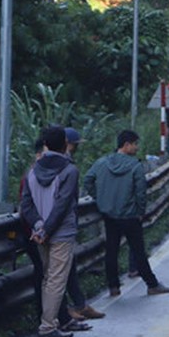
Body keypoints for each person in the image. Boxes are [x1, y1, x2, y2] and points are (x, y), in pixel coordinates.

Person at [84, 130, 169, 297]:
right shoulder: (135, 166)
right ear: (126, 145)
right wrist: (140, 211)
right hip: (130, 215)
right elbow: (140, 192)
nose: (136, 147)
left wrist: (100, 197)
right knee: (138, 250)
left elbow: (88, 180)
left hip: (109, 214)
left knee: (111, 250)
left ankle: (113, 286)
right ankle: (152, 284)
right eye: (134, 144)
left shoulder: (102, 162)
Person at [20, 138, 89, 335]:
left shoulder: (32, 171)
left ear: (47, 146)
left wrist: (39, 226)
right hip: (61, 232)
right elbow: (63, 204)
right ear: (64, 145)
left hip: (39, 233)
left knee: (47, 278)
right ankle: (48, 325)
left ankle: (49, 320)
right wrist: (47, 229)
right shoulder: (69, 171)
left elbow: (26, 205)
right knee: (57, 280)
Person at [63, 128, 105, 321]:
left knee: (67, 268)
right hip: (58, 226)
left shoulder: (66, 163)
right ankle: (65, 311)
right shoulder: (60, 164)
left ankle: (77, 305)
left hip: (64, 223)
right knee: (58, 272)